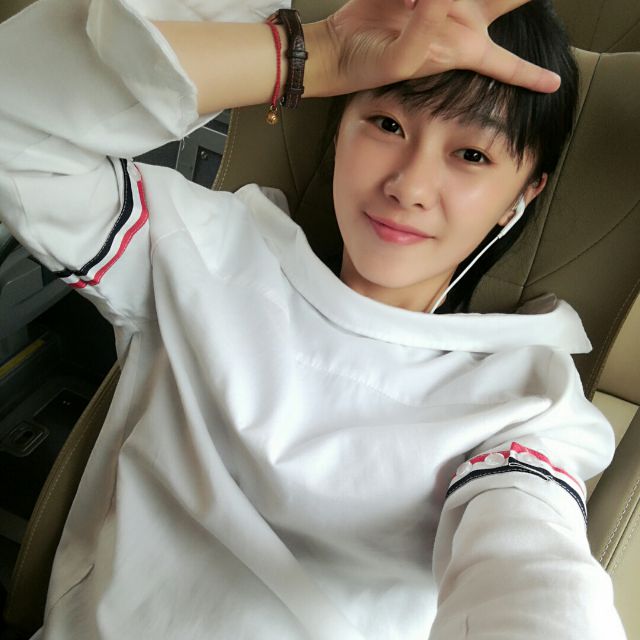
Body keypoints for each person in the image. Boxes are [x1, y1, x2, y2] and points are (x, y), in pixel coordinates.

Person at [0, 0, 627, 638]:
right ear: (339, 128)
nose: (409, 187)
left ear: (523, 192)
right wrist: (316, 54)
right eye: (386, 123)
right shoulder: (203, 248)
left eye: (471, 155)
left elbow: (534, 572)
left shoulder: (523, 401)